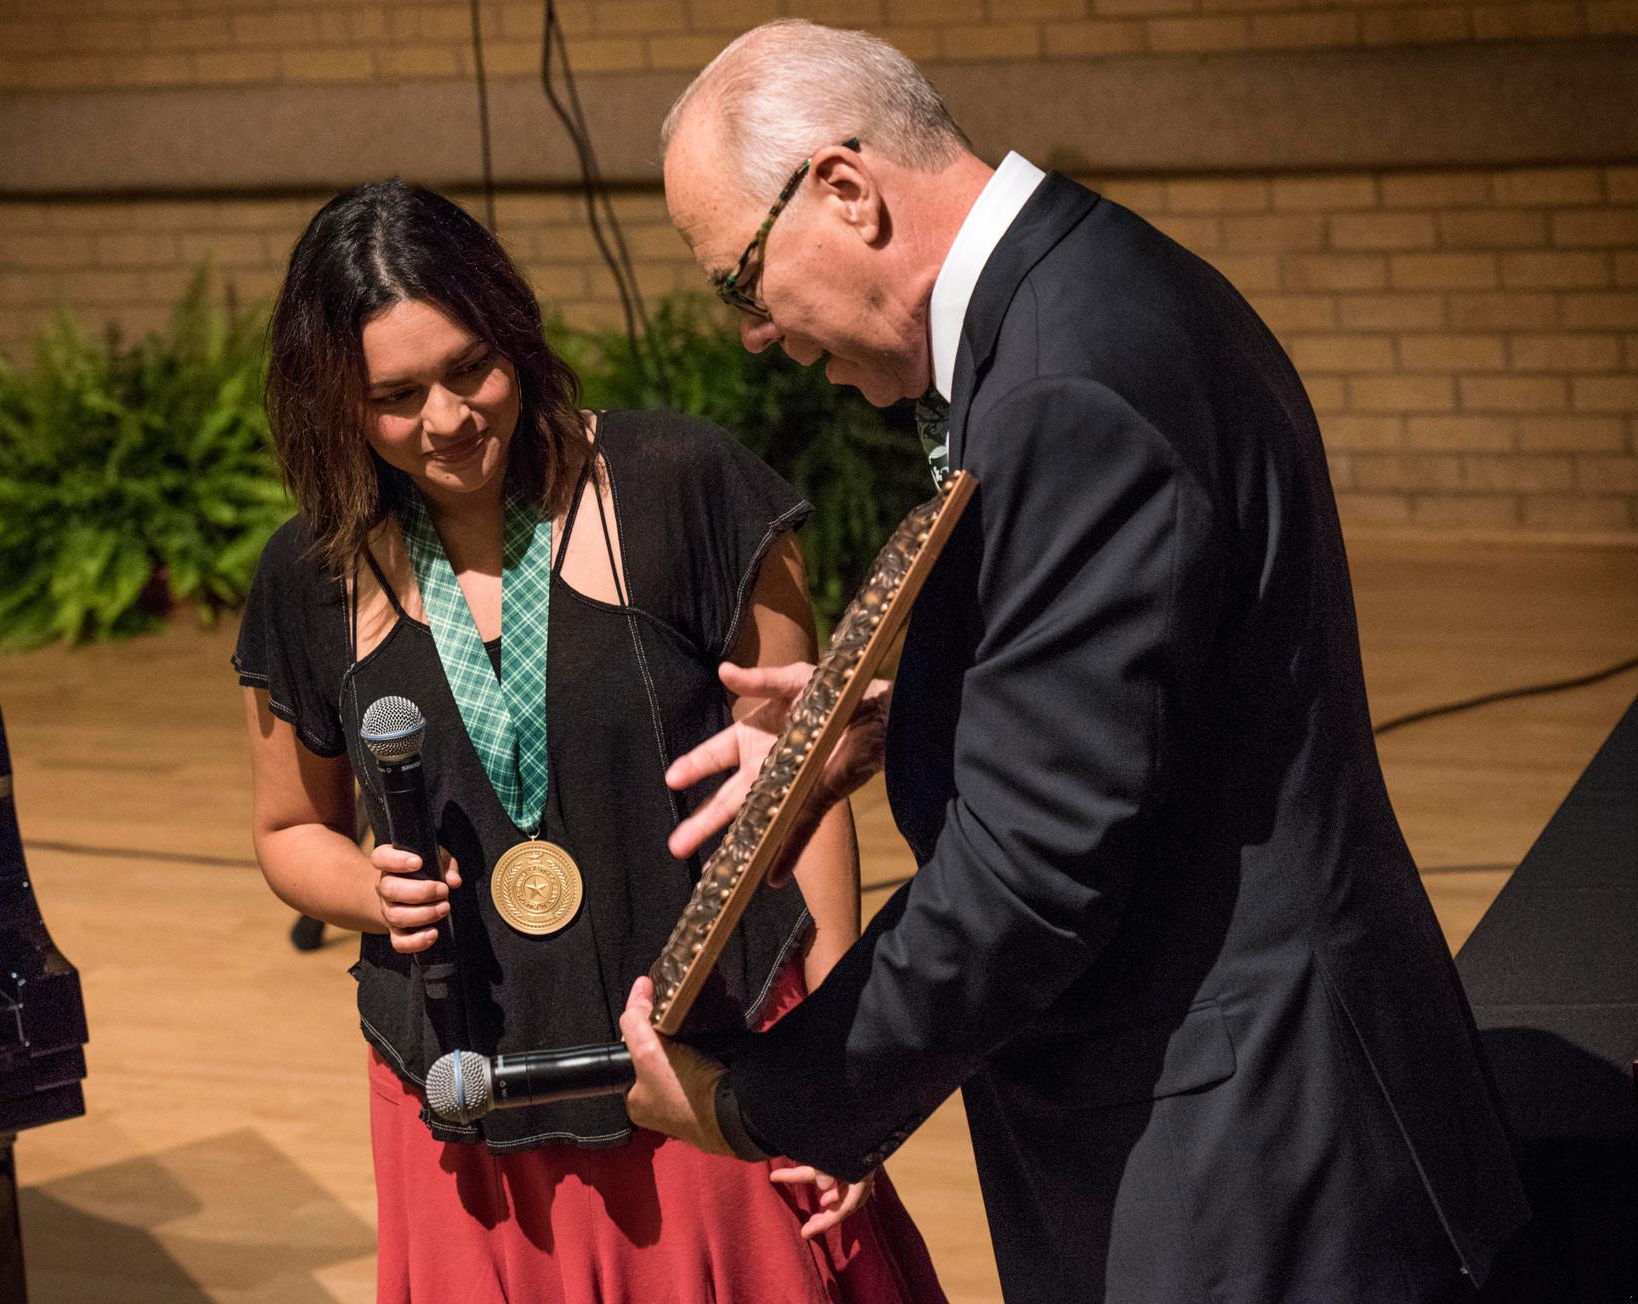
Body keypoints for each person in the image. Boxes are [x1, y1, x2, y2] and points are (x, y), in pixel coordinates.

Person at [619, 20, 1531, 1304]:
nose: (758, 334)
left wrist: (760, 1098)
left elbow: (1029, 874)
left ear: (845, 188)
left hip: (1245, 1151)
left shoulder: (1064, 381)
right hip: (1237, 1108)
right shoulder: (1085, 286)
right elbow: (1154, 685)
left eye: (743, 283)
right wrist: (913, 714)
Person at [235, 179, 947, 1303]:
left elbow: (799, 786)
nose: (448, 418)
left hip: (710, 1067)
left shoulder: (682, 484)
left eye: (472, 367)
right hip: (461, 1103)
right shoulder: (308, 575)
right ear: (334, 402)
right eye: (395, 395)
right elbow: (288, 829)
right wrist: (372, 891)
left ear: (514, 332)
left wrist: (831, 1070)